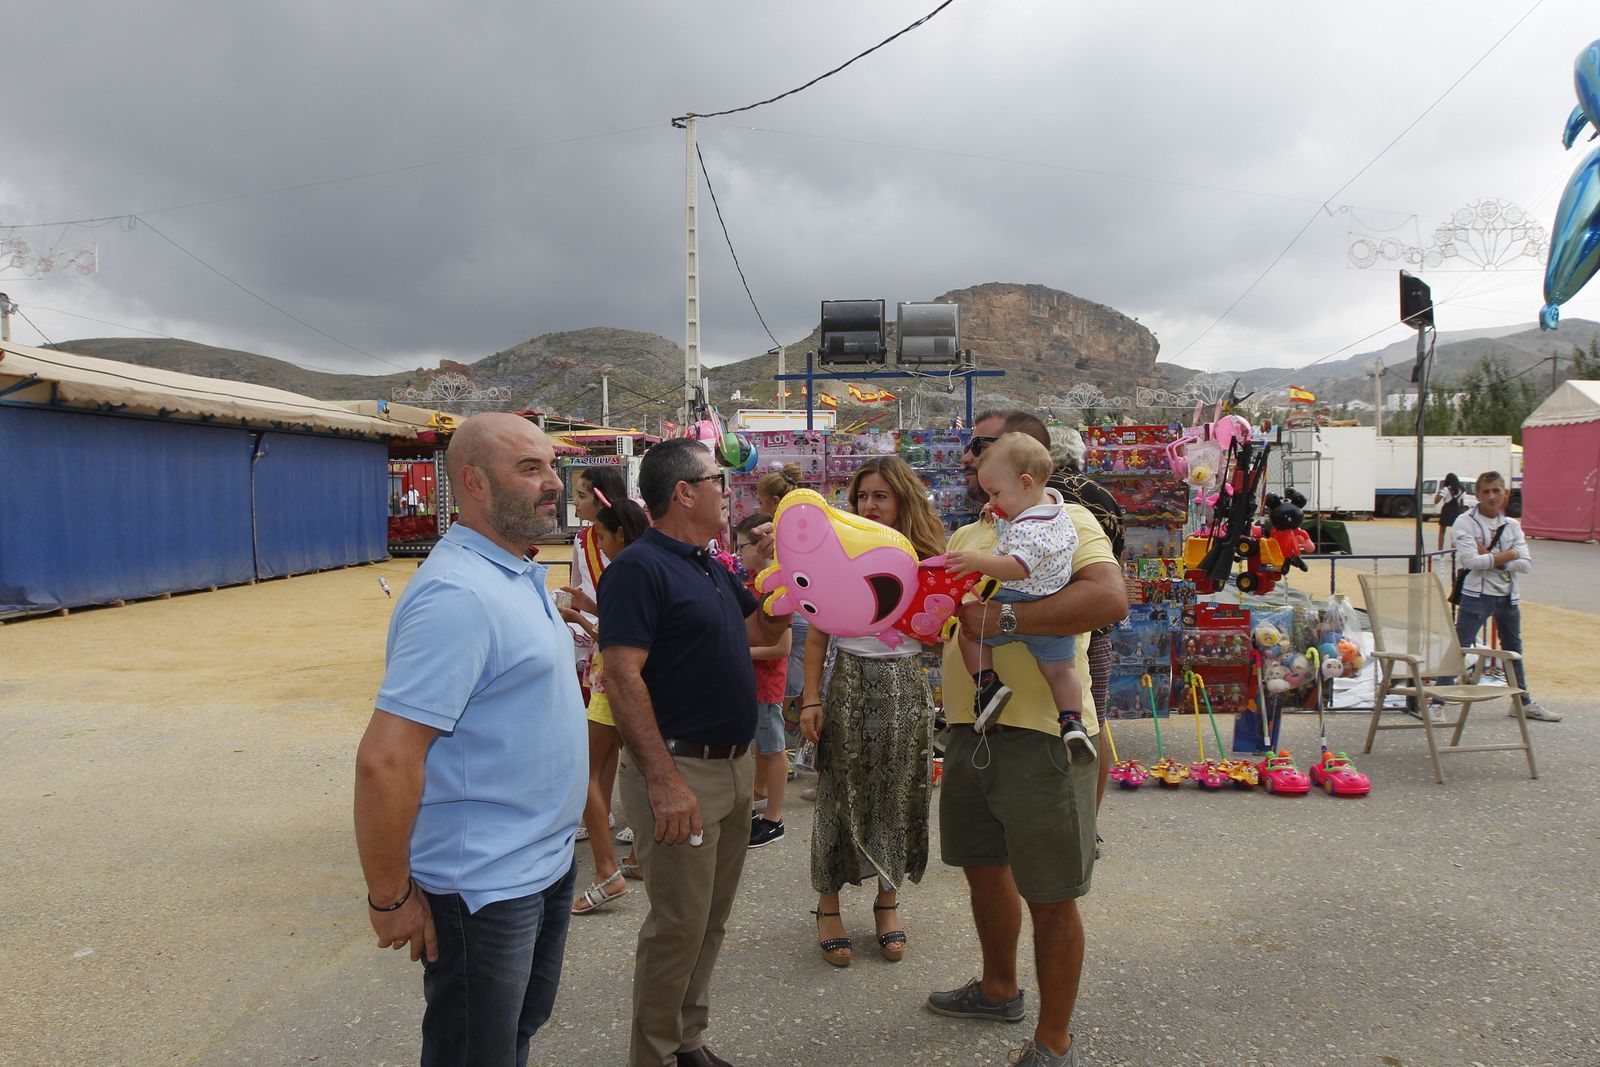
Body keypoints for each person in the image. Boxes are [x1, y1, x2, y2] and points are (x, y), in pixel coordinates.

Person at [354, 413, 587, 1067]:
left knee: (511, 1035)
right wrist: (390, 895)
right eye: (529, 467)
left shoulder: (512, 571)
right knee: (473, 1052)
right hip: (485, 887)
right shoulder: (457, 594)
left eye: (550, 465)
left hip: (540, 865)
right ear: (473, 483)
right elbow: (386, 758)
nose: (553, 483)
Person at [926, 409, 1128, 1067]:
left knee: (1050, 892)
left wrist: (1002, 618)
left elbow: (1108, 598)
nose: (970, 458)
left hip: (1042, 735)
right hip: (970, 730)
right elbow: (949, 617)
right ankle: (998, 986)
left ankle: (1053, 1039)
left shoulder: (1069, 520)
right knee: (984, 871)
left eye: (981, 446)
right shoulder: (975, 529)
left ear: (1025, 462)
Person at [599, 438, 793, 1067]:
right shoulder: (639, 568)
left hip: (733, 768)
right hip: (681, 770)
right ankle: (653, 1056)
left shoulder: (708, 566)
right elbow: (622, 677)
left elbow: (760, 630)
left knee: (709, 919)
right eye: (717, 479)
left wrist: (784, 585)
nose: (727, 490)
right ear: (684, 492)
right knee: (677, 927)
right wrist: (662, 780)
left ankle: (688, 1041)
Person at [797, 456, 947, 968]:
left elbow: (943, 635)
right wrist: (811, 697)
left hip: (907, 685)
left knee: (899, 793)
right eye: (861, 497)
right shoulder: (835, 553)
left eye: (880, 496)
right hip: (850, 683)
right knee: (838, 793)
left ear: (902, 499)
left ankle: (888, 902)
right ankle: (827, 906)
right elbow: (817, 633)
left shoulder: (927, 557)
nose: (869, 505)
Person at [948, 432, 1092, 763]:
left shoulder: (1029, 528)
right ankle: (1072, 721)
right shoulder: (1054, 510)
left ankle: (987, 685)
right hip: (1053, 609)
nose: (993, 501)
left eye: (996, 493)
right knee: (1060, 671)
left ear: (1026, 482)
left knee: (971, 632)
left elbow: (1017, 566)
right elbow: (1018, 534)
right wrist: (1002, 514)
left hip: (1017, 597)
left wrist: (977, 562)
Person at [564, 497, 651, 914]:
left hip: (610, 683)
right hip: (632, 684)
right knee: (630, 770)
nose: (597, 544)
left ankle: (606, 870)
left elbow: (615, 631)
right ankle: (632, 860)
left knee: (582, 772)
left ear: (620, 532)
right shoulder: (647, 565)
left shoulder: (623, 569)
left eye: (601, 535)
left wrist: (579, 620)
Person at [1047, 422, 1126, 814]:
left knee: (1046, 720)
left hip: (1046, 623)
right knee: (1093, 722)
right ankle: (1087, 822)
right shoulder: (1104, 497)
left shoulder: (1039, 497)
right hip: (1095, 626)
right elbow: (1117, 562)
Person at [1451, 470, 1558, 722]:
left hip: (1507, 594)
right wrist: (1508, 555)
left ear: (1505, 493)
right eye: (1486, 492)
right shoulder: (1465, 522)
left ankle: (1522, 701)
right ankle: (1437, 700)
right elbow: (1469, 560)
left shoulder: (1511, 525)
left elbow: (1525, 564)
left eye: (1496, 491)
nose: (1491, 497)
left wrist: (1495, 558)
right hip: (1478, 593)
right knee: (1459, 646)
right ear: (1477, 495)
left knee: (1513, 648)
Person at [566, 466, 633, 850]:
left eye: (581, 494)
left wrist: (584, 619)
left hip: (613, 643)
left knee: (626, 741)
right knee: (605, 739)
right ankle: (600, 812)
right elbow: (584, 587)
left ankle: (637, 823)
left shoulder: (626, 544)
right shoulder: (584, 540)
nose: (574, 501)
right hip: (597, 648)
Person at [734, 512, 793, 848]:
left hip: (766, 685)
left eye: (743, 546)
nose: (739, 552)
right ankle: (761, 808)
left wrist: (738, 652)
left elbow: (781, 647)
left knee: (773, 749)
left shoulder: (775, 585)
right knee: (761, 749)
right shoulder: (754, 582)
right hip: (751, 681)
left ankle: (774, 818)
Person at [1435, 472, 1465, 552]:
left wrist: (1439, 491)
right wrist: (1462, 515)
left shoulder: (1445, 489)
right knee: (1454, 531)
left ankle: (1440, 551)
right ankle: (1453, 552)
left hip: (1447, 510)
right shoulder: (1461, 490)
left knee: (1442, 531)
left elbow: (1436, 501)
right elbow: (1462, 504)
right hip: (1456, 510)